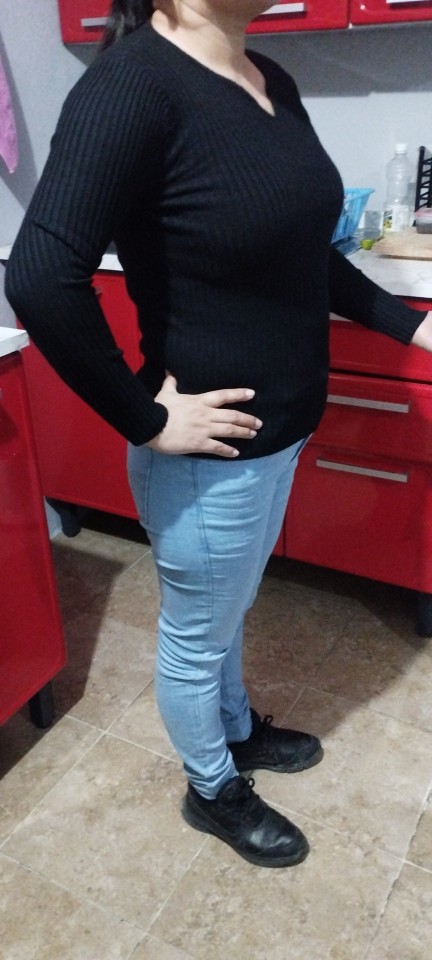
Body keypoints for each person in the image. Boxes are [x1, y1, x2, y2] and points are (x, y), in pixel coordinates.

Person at [6, 0, 432, 869]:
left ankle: (234, 731)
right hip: (212, 454)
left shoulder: (268, 80)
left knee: (227, 611)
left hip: (282, 432)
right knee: (197, 638)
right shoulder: (131, 87)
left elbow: (306, 256)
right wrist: (148, 418)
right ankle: (212, 787)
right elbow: (43, 276)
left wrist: (414, 327)